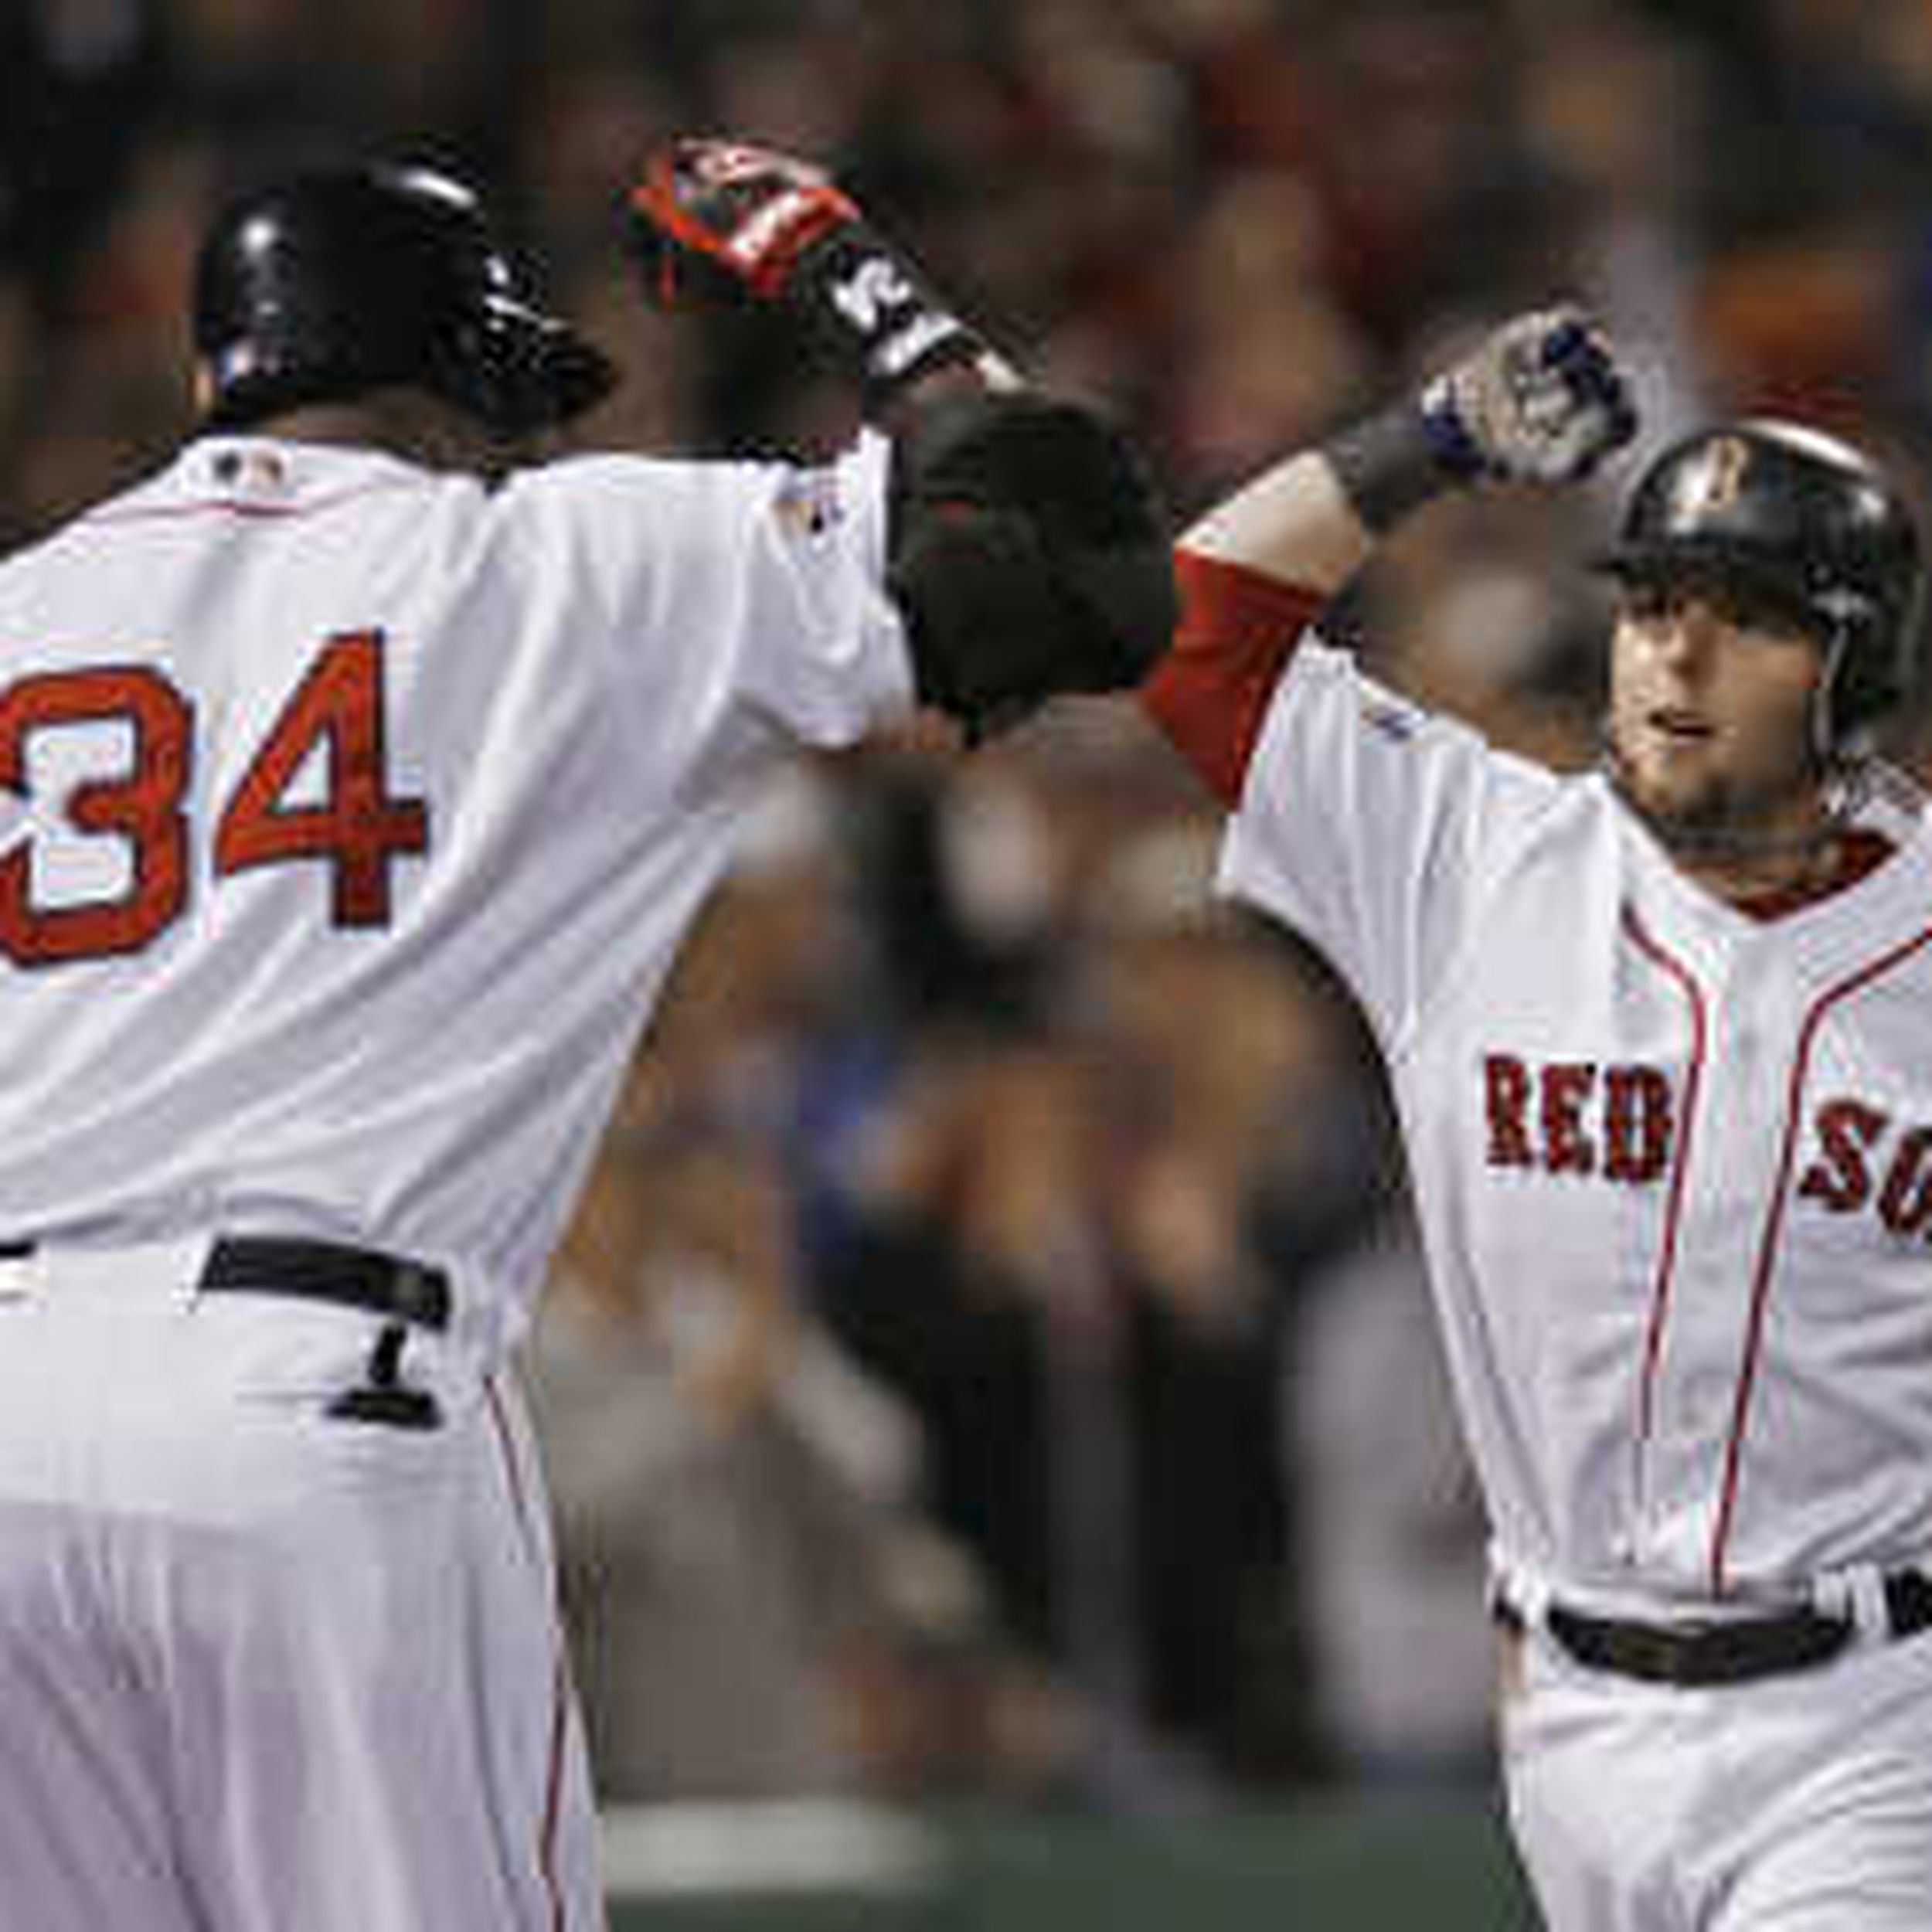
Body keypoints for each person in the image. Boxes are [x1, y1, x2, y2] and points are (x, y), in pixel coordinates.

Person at [0, 142, 1172, 1932]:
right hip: (310, 1398)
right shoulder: (568, 554)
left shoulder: (23, 616)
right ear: (465, 374)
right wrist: (839, 269)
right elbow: (1063, 558)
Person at [1139, 308, 1932, 1929]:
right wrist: (1425, 444)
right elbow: (1187, 628)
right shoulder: (1471, 860)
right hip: (1563, 1719)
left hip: (1877, 1716)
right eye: (1649, 602)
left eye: (1743, 618)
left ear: (1852, 665)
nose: (1671, 656)